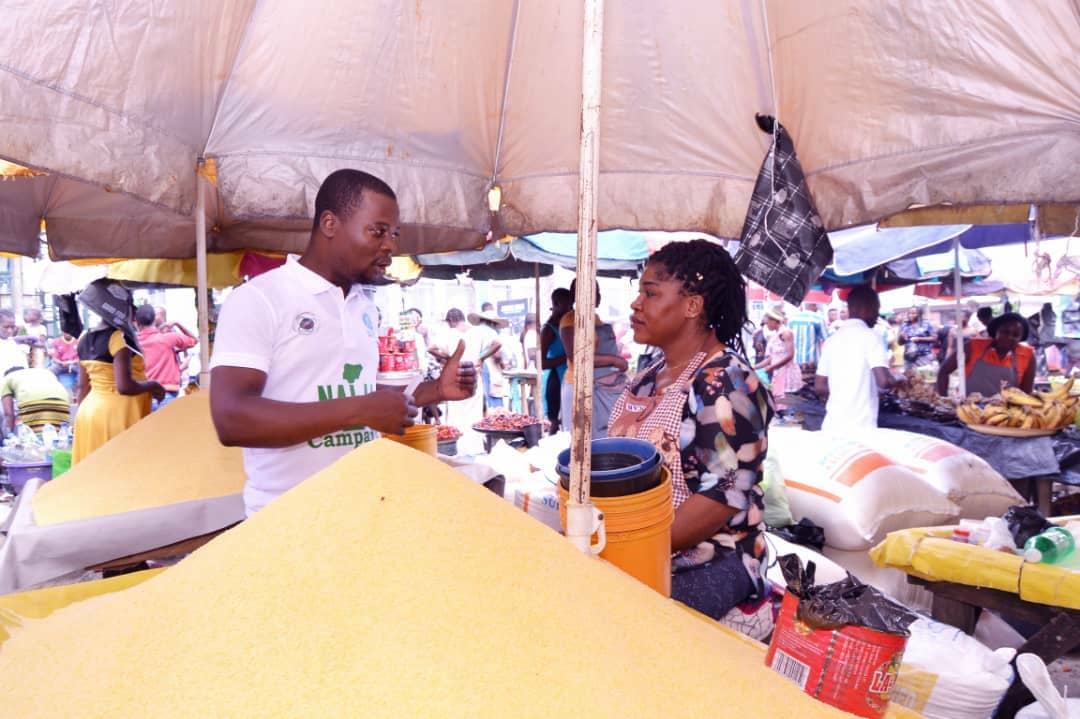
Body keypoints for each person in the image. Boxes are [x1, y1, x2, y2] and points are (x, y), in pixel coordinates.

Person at [210, 169, 476, 515]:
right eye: (377, 231)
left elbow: (355, 392)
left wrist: (435, 390)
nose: (391, 246)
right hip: (285, 519)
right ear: (330, 224)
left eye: (394, 234)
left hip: (359, 509)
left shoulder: (364, 307)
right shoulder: (260, 299)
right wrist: (358, 410)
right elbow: (231, 418)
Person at [608, 239, 774, 620]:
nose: (636, 304)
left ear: (692, 305)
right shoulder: (649, 377)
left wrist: (629, 548)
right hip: (640, 543)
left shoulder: (724, 382)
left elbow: (723, 495)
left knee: (625, 621)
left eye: (650, 293)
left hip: (712, 561)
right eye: (640, 292)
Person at [72, 279, 165, 465]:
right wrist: (153, 385)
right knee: (118, 470)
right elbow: (124, 386)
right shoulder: (119, 338)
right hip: (116, 413)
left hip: (89, 412)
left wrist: (81, 415)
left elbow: (82, 386)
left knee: (91, 473)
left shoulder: (84, 338)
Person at [814, 286, 903, 433]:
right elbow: (884, 381)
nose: (877, 315)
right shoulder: (871, 336)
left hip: (832, 425)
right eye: (876, 309)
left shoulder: (832, 340)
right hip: (861, 428)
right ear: (867, 307)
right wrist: (899, 380)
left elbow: (820, 387)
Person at [559, 280, 628, 438]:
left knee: (602, 439)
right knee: (579, 440)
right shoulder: (570, 319)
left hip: (602, 389)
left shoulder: (597, 320)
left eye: (597, 291)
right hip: (579, 387)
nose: (596, 295)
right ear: (575, 296)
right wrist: (614, 360)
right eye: (590, 291)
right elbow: (576, 357)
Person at [936, 312, 1035, 397]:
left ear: (1021, 338)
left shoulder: (1028, 355)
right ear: (996, 331)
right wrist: (944, 400)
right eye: (1005, 332)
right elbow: (943, 371)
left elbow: (1026, 394)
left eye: (1015, 335)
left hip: (1006, 416)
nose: (1009, 337)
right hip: (968, 411)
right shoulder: (973, 346)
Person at [134, 304, 198, 410]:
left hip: (142, 396)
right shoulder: (168, 338)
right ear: (154, 319)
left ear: (136, 322)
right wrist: (177, 323)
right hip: (166, 394)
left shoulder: (133, 342)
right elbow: (193, 340)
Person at [1, 367, 71, 435]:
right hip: (62, 401)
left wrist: (9, 436)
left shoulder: (6, 379)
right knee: (59, 435)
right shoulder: (43, 372)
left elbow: (8, 414)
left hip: (32, 402)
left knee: (32, 439)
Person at [540, 288, 571, 433]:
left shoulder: (567, 325)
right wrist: (567, 357)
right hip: (555, 380)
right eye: (568, 305)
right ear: (557, 304)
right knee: (555, 421)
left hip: (567, 378)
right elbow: (542, 363)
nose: (570, 309)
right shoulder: (548, 329)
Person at [755, 308, 800, 401]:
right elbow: (771, 358)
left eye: (767, 323)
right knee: (779, 403)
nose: (766, 325)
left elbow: (790, 355)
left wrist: (772, 367)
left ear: (774, 321)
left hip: (787, 373)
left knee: (786, 403)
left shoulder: (786, 333)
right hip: (778, 373)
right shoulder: (775, 335)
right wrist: (755, 367)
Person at [466, 309, 507, 411]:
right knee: (494, 406)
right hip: (488, 368)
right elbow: (497, 349)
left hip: (474, 368)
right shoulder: (491, 332)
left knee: (480, 401)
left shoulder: (471, 331)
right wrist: (482, 357)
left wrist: (480, 356)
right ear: (492, 322)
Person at [787, 302, 827, 389]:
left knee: (798, 387)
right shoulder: (818, 319)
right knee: (811, 388)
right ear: (814, 305)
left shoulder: (792, 319)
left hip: (795, 361)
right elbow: (826, 338)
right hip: (811, 362)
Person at [48, 331, 80, 396]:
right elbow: (53, 357)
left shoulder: (78, 341)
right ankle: (54, 391)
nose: (68, 333)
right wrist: (61, 363)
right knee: (49, 372)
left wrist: (72, 362)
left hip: (74, 364)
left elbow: (82, 356)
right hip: (60, 364)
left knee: (84, 371)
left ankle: (76, 390)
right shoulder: (56, 342)